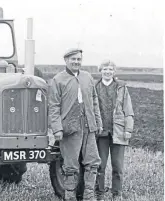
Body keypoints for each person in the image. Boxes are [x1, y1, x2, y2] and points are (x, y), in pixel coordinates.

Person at [49, 48, 103, 201]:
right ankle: (70, 195)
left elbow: (94, 101)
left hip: (88, 126)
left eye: (79, 59)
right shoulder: (58, 80)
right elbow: (54, 106)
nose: (76, 62)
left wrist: (97, 122)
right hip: (70, 128)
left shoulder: (87, 77)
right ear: (66, 60)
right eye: (73, 59)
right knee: (71, 165)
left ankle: (89, 196)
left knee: (93, 162)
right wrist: (57, 128)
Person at [94, 60, 134, 201]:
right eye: (105, 69)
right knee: (100, 166)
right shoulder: (95, 87)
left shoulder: (121, 88)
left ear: (114, 72)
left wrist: (128, 129)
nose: (108, 71)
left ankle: (117, 194)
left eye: (110, 69)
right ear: (100, 70)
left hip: (118, 132)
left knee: (117, 167)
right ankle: (99, 193)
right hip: (101, 134)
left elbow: (128, 110)